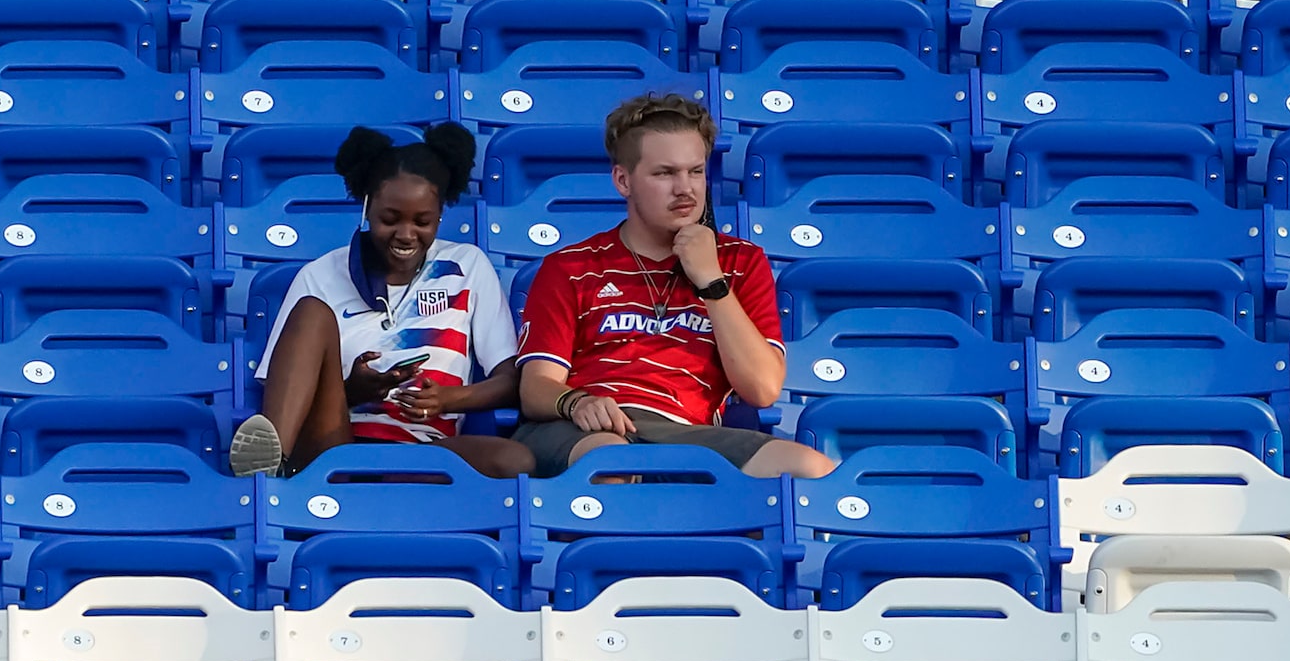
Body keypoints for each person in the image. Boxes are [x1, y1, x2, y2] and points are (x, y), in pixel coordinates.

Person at [513, 93, 837, 478]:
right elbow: (535, 388)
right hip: (588, 426)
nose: (685, 188)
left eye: (696, 171)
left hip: (687, 431)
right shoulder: (571, 266)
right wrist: (577, 403)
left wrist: (711, 281)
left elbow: (762, 390)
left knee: (810, 469)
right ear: (623, 180)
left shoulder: (740, 263)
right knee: (611, 462)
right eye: (665, 173)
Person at [228, 125, 534, 478]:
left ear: (440, 216)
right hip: (335, 444)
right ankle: (268, 469)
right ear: (367, 208)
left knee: (516, 460)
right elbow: (283, 388)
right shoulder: (320, 274)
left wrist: (448, 400)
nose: (406, 235)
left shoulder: (468, 266)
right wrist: (351, 392)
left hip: (426, 450)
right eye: (390, 219)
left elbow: (510, 381)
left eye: (423, 222)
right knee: (312, 312)